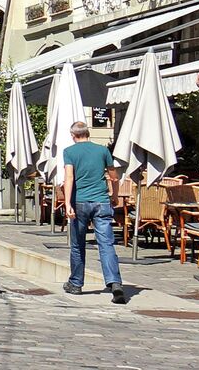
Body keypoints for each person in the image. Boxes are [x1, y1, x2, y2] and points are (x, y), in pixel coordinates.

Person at [61, 121, 127, 303]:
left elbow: (69, 177)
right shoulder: (102, 151)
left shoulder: (69, 152)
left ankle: (76, 283)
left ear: (73, 135)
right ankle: (115, 283)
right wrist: (115, 195)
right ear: (88, 133)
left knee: (77, 244)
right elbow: (114, 176)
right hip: (101, 202)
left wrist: (67, 203)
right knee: (106, 244)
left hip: (80, 202)